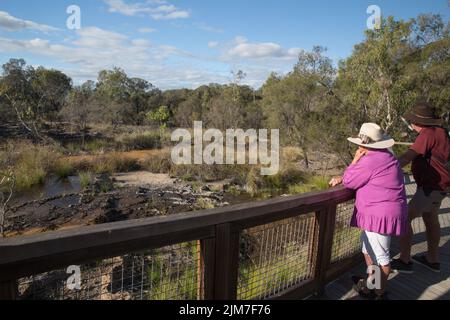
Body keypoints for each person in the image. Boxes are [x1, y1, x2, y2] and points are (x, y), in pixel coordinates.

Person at [329, 123, 408, 300]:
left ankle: (379, 293)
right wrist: (344, 176)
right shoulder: (387, 156)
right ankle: (372, 283)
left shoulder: (370, 160)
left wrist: (355, 160)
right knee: (367, 249)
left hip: (379, 215)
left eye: (360, 143)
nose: (358, 146)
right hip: (384, 212)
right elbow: (363, 177)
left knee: (382, 259)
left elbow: (350, 181)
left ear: (364, 144)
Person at [391, 102, 449, 274]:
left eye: (412, 121)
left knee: (404, 218)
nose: (411, 124)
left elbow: (407, 157)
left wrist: (384, 170)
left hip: (431, 188)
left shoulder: (428, 134)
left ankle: (405, 260)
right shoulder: (441, 132)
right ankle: (432, 259)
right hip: (439, 187)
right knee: (431, 219)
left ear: (418, 122)